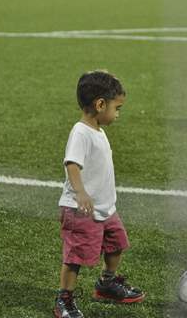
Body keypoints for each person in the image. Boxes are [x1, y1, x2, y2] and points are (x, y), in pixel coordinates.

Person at [54, 71, 144, 318]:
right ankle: (64, 298)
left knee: (116, 243)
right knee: (76, 256)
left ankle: (107, 283)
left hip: (106, 208)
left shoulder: (97, 130)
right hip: (81, 210)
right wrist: (80, 192)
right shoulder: (81, 132)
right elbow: (72, 164)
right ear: (100, 104)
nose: (118, 113)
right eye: (117, 107)